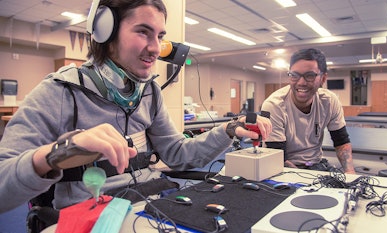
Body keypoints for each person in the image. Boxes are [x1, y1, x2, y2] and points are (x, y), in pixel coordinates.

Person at [0, 0, 271, 213]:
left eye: (160, 36)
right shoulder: (60, 92)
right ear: (105, 32)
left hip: (151, 205)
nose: (156, 48)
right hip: (93, 214)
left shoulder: (149, 92)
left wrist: (228, 130)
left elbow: (177, 153)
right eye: (143, 32)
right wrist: (52, 155)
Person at [261, 48, 355, 174]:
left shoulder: (329, 101)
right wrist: (308, 179)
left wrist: (350, 173)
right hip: (285, 168)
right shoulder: (274, 105)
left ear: (323, 78)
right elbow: (279, 157)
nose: (301, 82)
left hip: (317, 164)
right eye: (294, 75)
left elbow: (341, 141)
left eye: (309, 76)